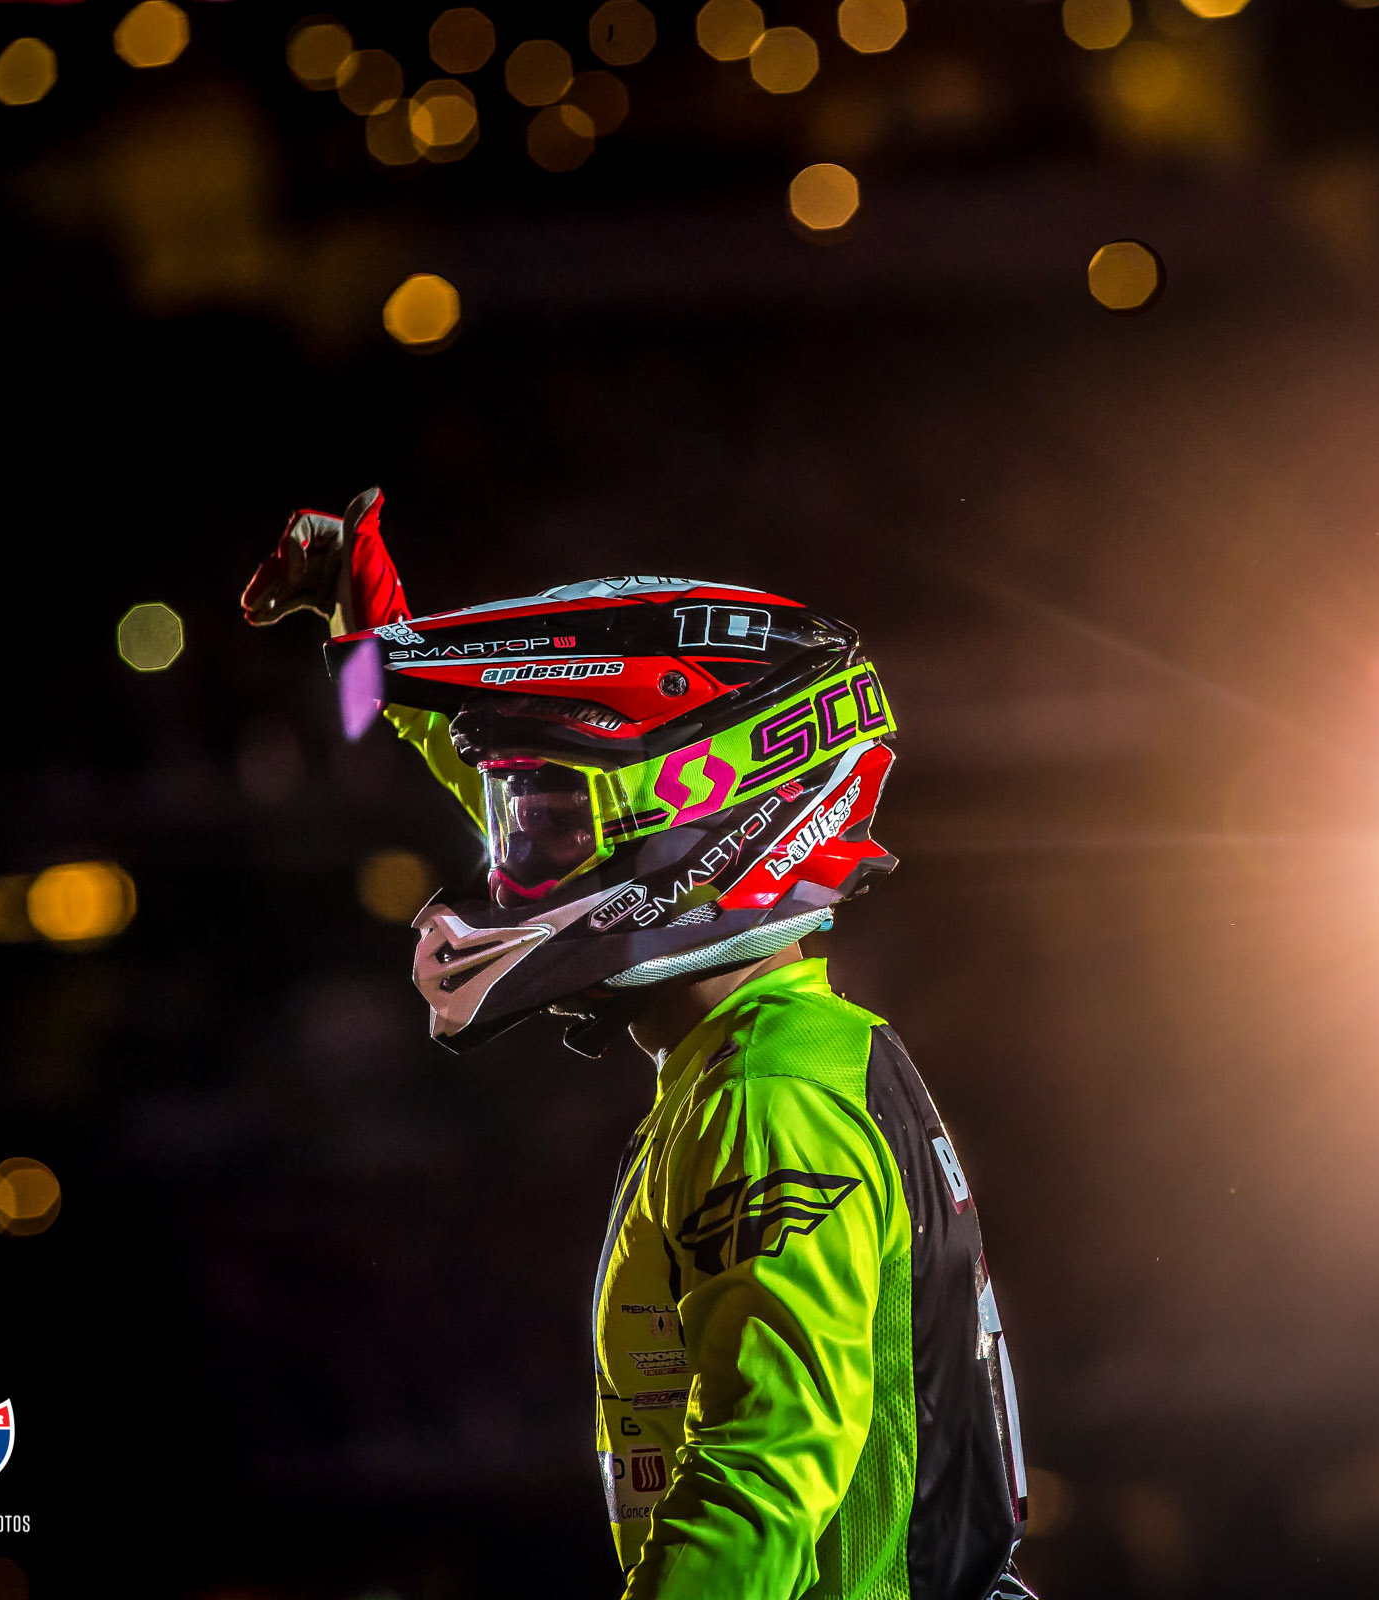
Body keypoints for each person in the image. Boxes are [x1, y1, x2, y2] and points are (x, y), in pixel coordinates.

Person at [243, 489, 1035, 1600]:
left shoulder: (767, 1097)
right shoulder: (778, 1054)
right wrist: (373, 635)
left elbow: (760, 1483)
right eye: (517, 817)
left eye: (548, 820)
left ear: (713, 814)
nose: (514, 866)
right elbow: (595, 841)